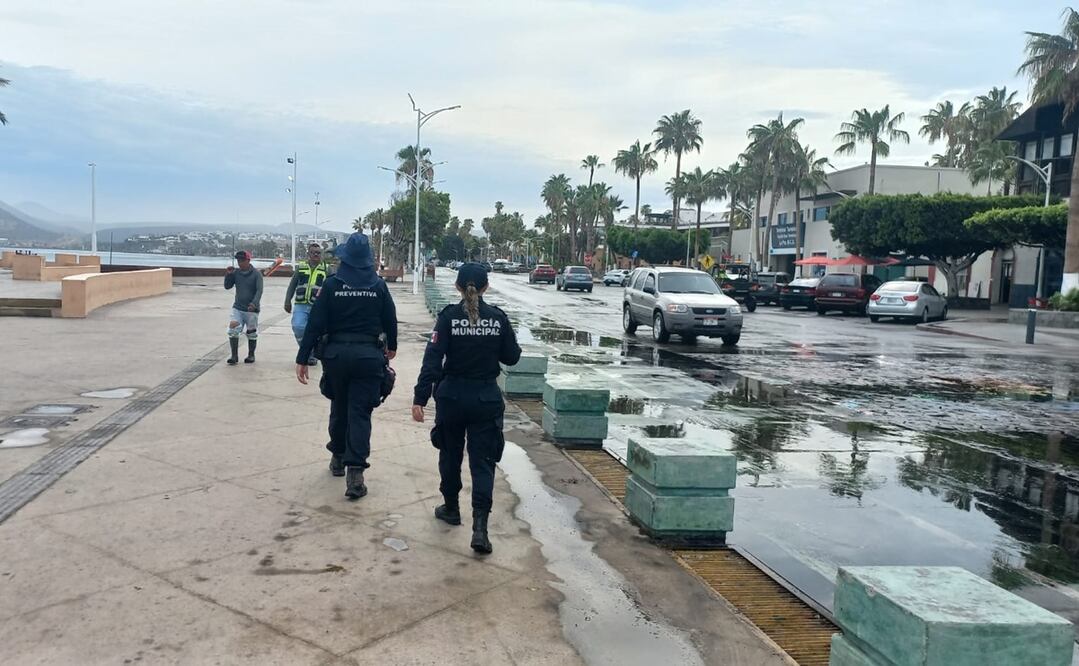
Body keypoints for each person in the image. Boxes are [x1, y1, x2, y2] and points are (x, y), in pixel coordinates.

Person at [412, 263, 521, 555]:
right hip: (485, 399)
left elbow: (432, 360)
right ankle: (480, 529)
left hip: (452, 399)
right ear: (485, 287)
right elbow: (512, 358)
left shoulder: (448, 317)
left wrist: (420, 398)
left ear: (458, 288)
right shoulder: (497, 318)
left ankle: (451, 508)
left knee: (450, 455)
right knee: (482, 463)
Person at [296, 233, 397, 500]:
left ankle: (338, 458)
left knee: (339, 406)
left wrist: (302, 357)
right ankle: (356, 475)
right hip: (368, 357)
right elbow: (391, 320)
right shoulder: (378, 285)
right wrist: (392, 347)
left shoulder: (331, 285)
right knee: (360, 414)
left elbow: (315, 323)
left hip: (337, 357)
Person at [285, 242, 333, 366]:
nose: (316, 255)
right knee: (298, 326)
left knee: (317, 331)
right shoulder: (301, 267)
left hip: (318, 306)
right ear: (308, 253)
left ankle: (311, 354)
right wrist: (287, 301)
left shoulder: (327, 269)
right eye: (313, 252)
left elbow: (332, 287)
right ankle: (308, 351)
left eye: (318, 253)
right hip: (301, 304)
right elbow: (292, 284)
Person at [224, 250, 264, 365]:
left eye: (242, 260)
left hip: (252, 310)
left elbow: (259, 290)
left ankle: (251, 355)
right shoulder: (236, 273)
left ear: (248, 260)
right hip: (238, 308)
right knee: (233, 329)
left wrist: (254, 303)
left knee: (251, 332)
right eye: (238, 260)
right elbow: (227, 286)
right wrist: (228, 275)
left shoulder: (257, 274)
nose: (240, 263)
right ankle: (234, 355)